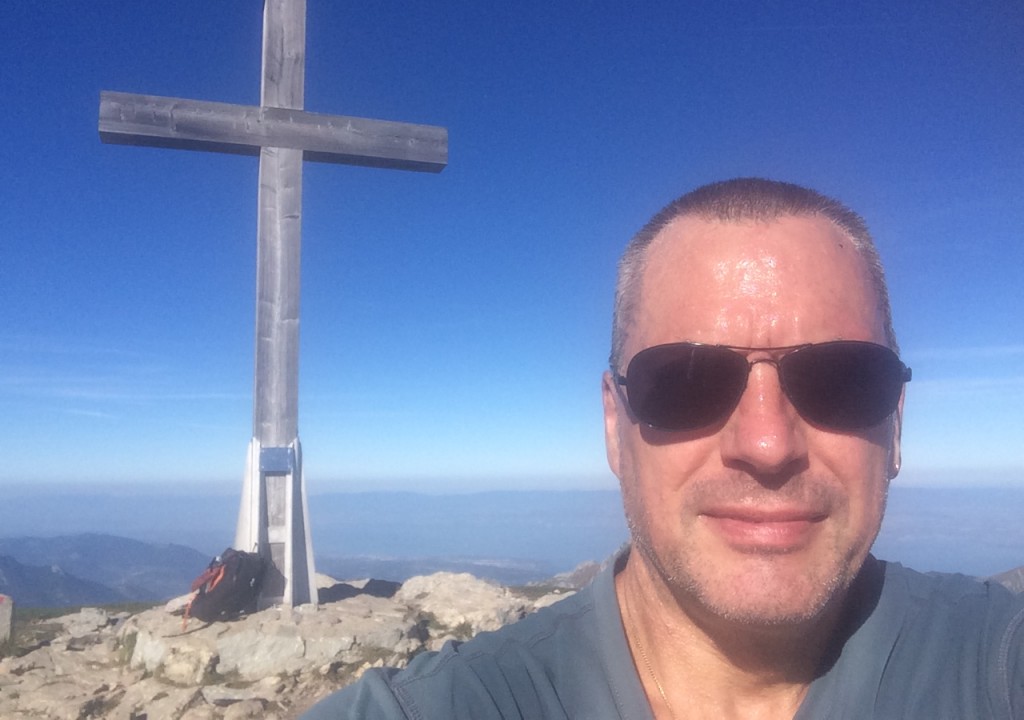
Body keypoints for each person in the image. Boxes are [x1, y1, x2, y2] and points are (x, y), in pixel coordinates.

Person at [303, 178, 1023, 719]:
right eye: (687, 382)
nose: (767, 444)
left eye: (839, 380)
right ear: (615, 427)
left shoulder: (995, 663)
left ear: (895, 424)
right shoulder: (448, 706)